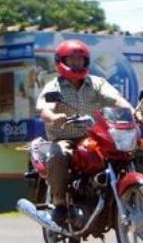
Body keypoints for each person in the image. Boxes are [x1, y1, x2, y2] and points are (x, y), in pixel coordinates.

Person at [36, 39, 136, 224]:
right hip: (66, 138)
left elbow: (116, 99)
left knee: (120, 153)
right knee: (58, 154)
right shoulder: (54, 86)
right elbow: (43, 107)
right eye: (72, 60)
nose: (76, 63)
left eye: (80, 60)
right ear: (61, 61)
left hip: (95, 136)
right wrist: (52, 116)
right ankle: (59, 203)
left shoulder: (97, 83)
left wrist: (132, 111)